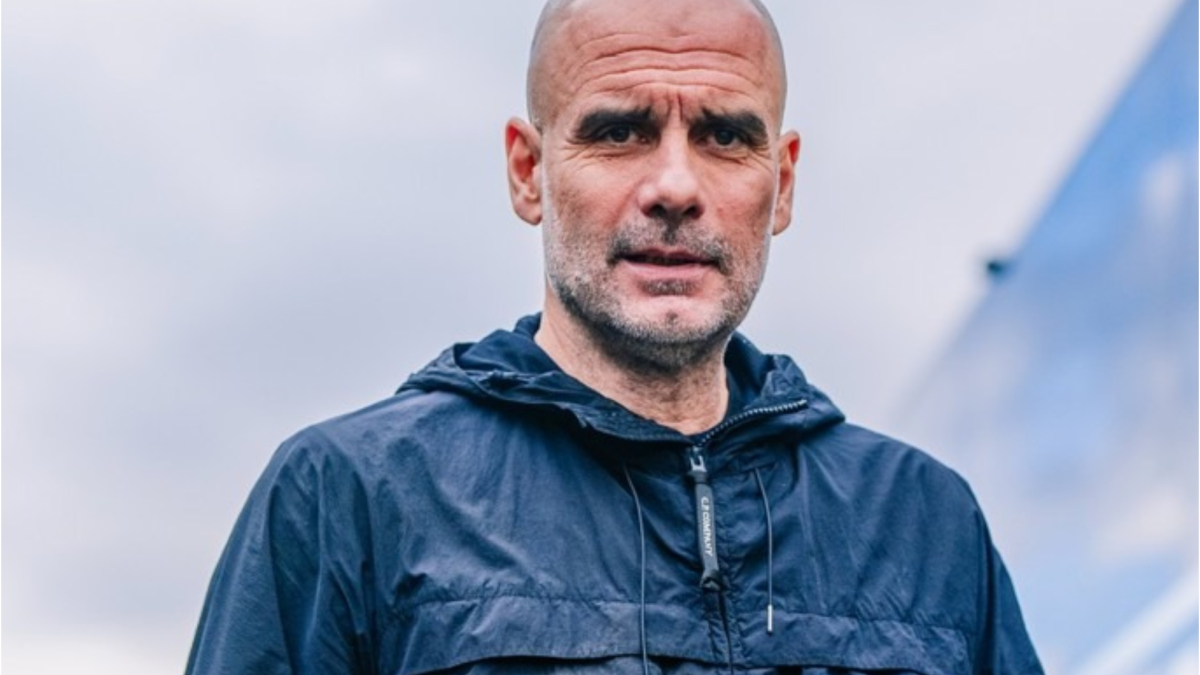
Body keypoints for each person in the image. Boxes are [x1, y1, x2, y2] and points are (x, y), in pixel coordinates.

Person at [186, 0, 1044, 673]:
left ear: (781, 185)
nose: (675, 186)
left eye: (724, 136)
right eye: (619, 132)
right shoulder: (351, 497)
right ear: (529, 171)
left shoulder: (928, 522)